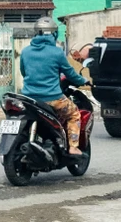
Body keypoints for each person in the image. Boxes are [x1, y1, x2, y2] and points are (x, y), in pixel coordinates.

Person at [19, 17, 88, 157]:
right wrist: (83, 81)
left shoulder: (25, 51)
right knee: (74, 113)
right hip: (52, 98)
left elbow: (23, 72)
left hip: (28, 98)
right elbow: (70, 74)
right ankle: (73, 147)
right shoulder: (57, 53)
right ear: (53, 34)